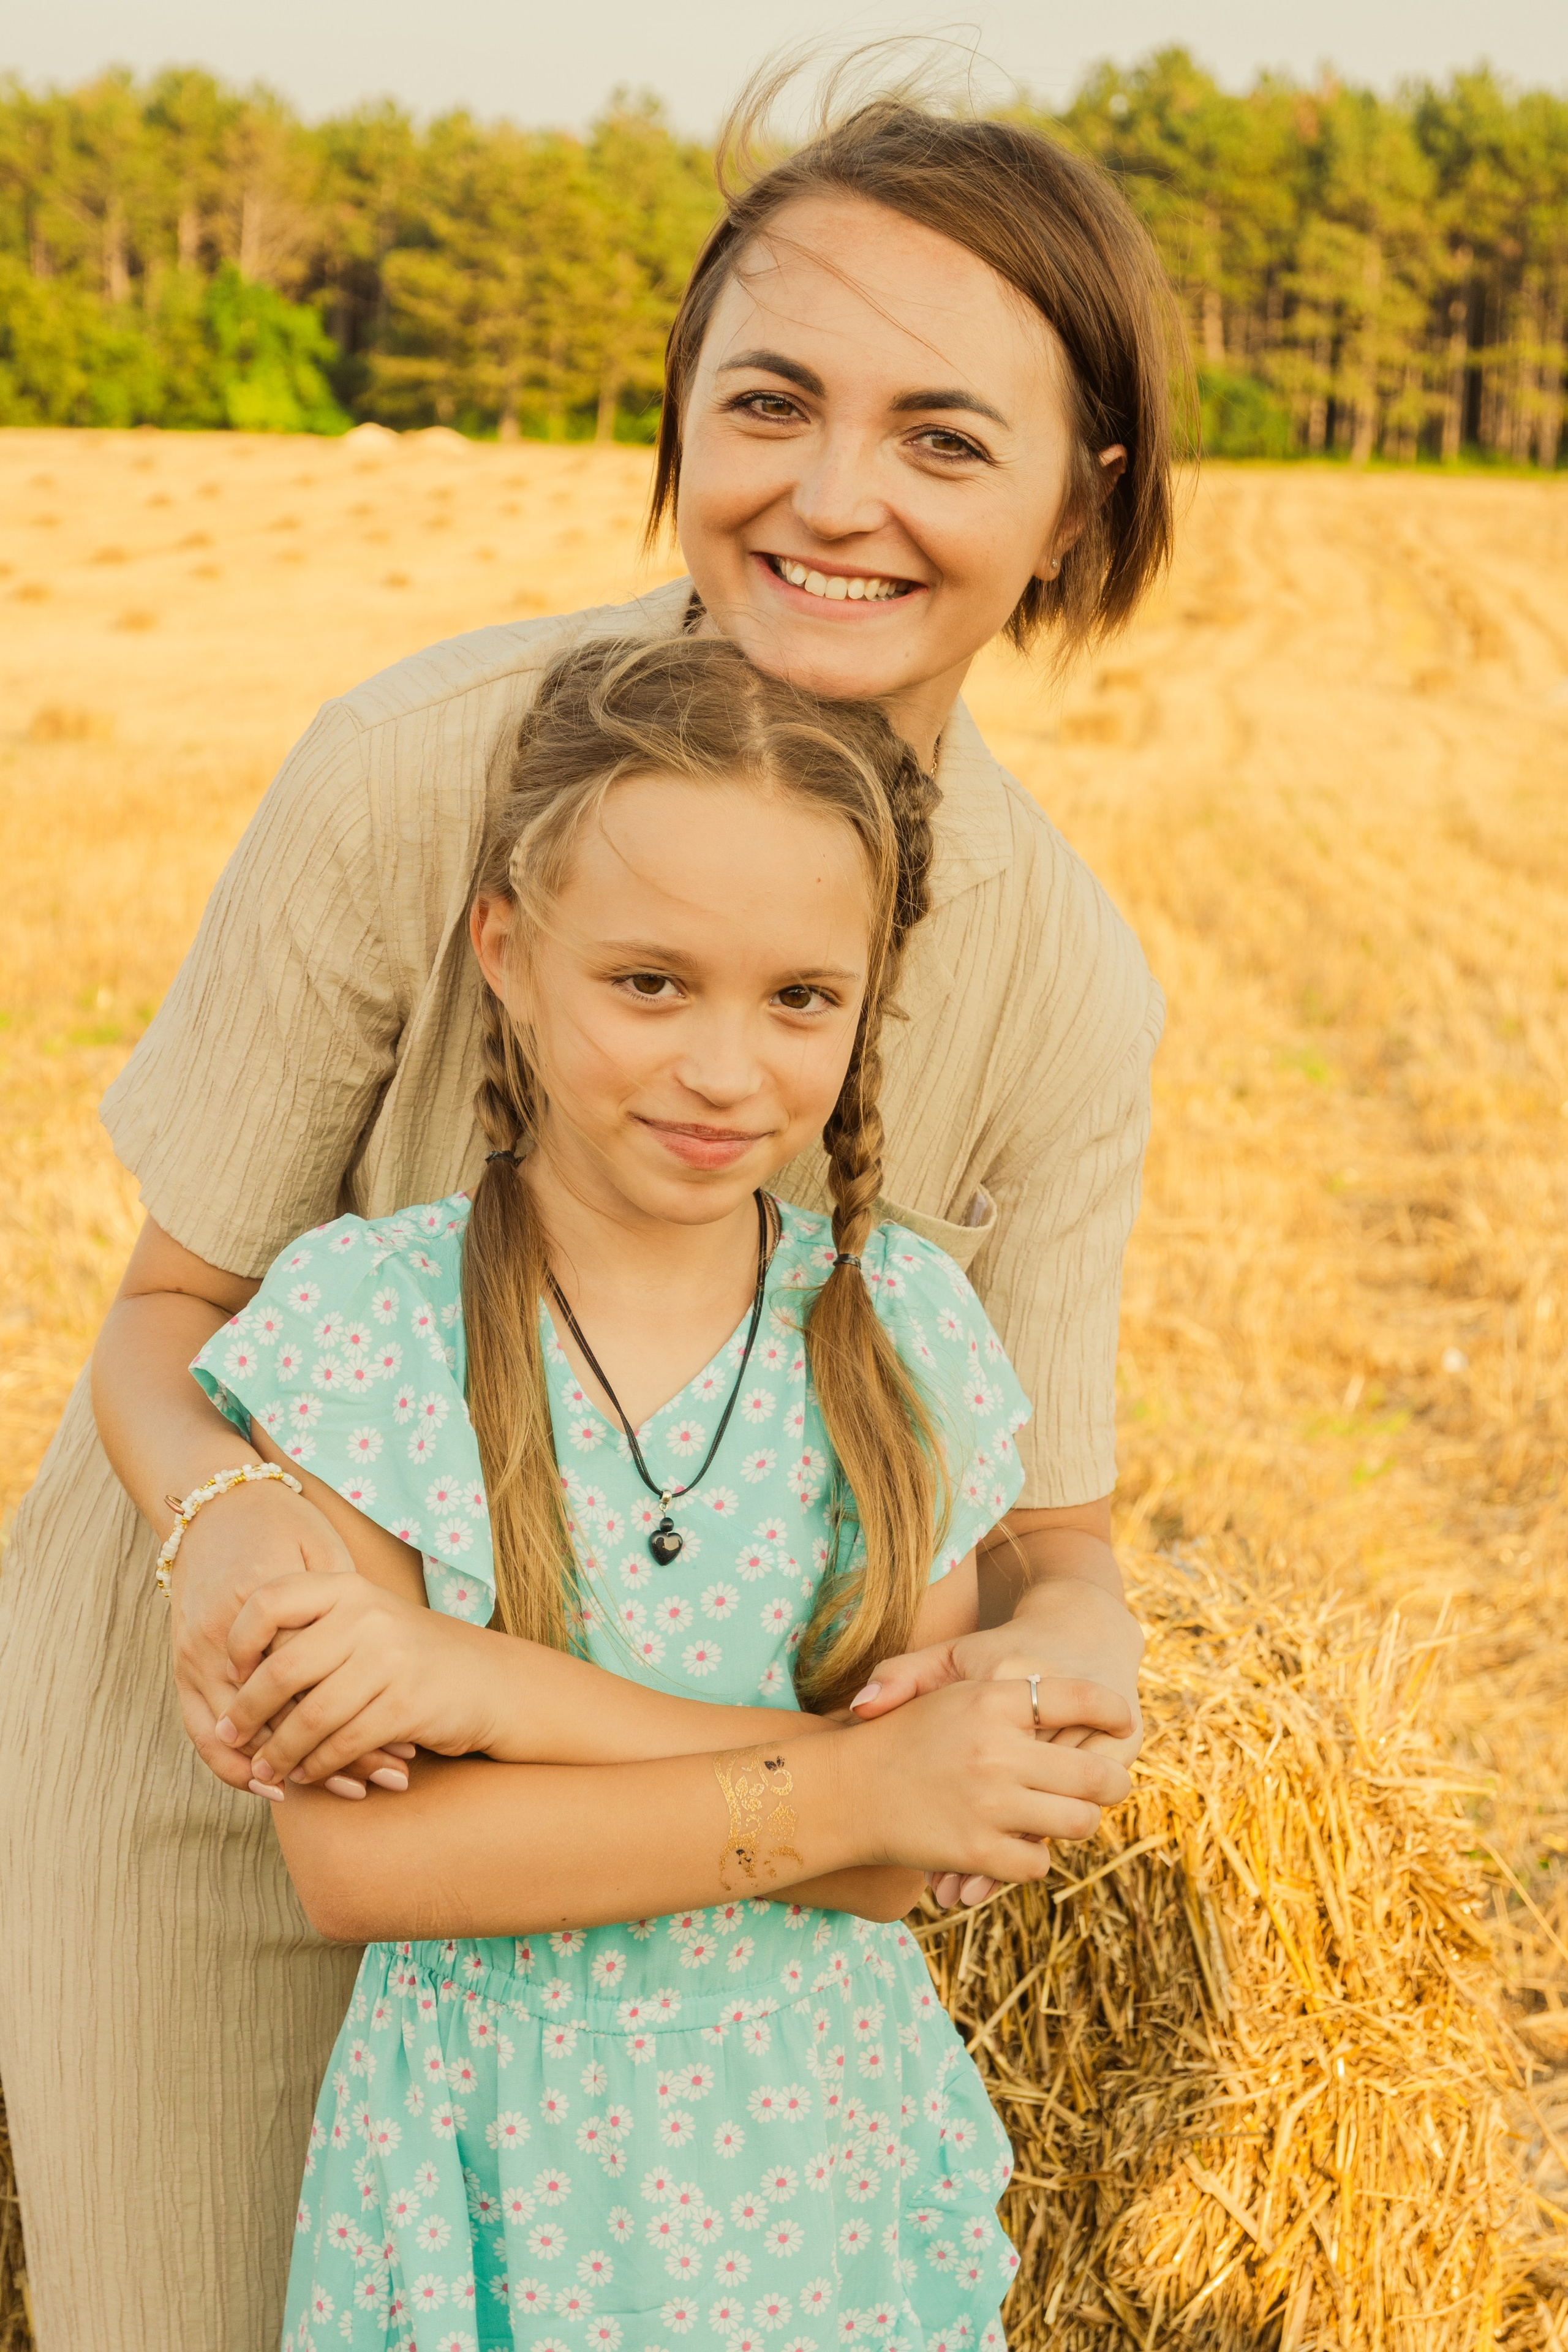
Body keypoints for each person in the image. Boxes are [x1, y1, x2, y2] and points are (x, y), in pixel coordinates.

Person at [0, 81, 1178, 2352]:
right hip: (250, 1743)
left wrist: (1062, 1670)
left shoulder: (1069, 979)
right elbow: (172, 1310)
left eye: (946, 438)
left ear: (1072, 504)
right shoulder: (415, 774)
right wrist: (228, 1519)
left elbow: (1063, 1534)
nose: (833, 498)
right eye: (769, 403)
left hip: (691, 1902)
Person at [179, 631, 1134, 2349]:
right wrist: (855, 1783)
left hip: (820, 2175)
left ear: (868, 1000)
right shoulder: (373, 1327)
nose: (725, 1069)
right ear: (507, 952)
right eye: (648, 984)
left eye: (799, 1000)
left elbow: (905, 1858)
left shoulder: (903, 1338)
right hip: (486, 2175)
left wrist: (492, 1692)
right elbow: (370, 1867)